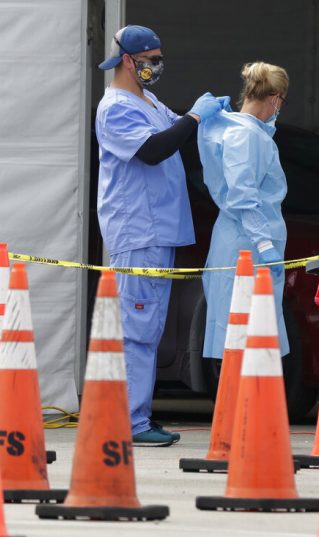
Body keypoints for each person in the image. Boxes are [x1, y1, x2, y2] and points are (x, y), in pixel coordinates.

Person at [95, 25, 225, 446]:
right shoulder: (116, 108)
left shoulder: (146, 99)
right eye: (150, 60)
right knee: (136, 329)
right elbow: (154, 150)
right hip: (138, 230)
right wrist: (193, 115)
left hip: (158, 231)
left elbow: (180, 135)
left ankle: (137, 417)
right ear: (128, 61)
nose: (156, 66)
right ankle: (131, 423)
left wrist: (220, 119)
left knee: (147, 328)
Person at [199, 62, 290, 362]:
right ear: (276, 99)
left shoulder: (232, 130)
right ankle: (246, 408)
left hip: (240, 242)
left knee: (245, 337)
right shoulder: (247, 137)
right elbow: (242, 196)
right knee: (245, 339)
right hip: (248, 246)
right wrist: (265, 244)